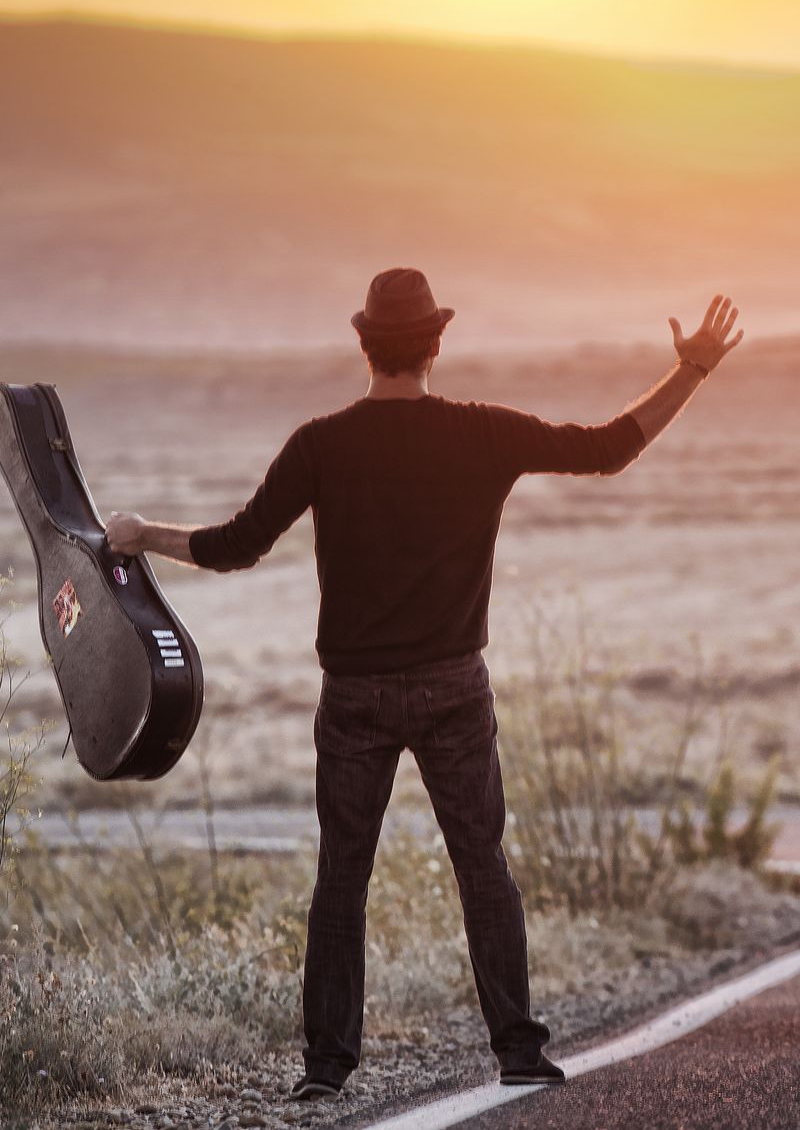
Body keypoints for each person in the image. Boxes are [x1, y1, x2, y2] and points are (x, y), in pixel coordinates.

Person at [106, 268, 743, 1101]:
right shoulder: (481, 433)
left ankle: (327, 1070)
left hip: (355, 698)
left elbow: (234, 545)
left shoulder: (321, 443)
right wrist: (693, 370)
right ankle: (518, 1047)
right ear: (436, 343)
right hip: (454, 690)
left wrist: (140, 533)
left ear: (364, 344)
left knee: (342, 878)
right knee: (484, 865)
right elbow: (608, 448)